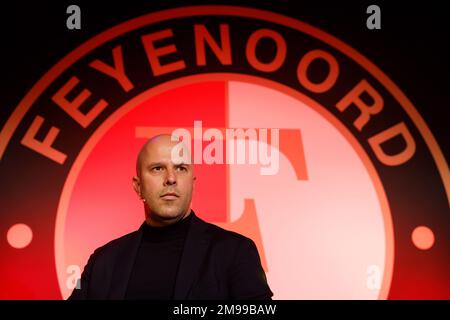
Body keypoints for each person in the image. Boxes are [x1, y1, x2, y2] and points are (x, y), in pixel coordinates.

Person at [68, 134, 272, 300]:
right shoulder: (103, 262)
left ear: (193, 184)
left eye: (180, 168)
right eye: (158, 168)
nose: (171, 179)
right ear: (138, 187)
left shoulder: (235, 251)